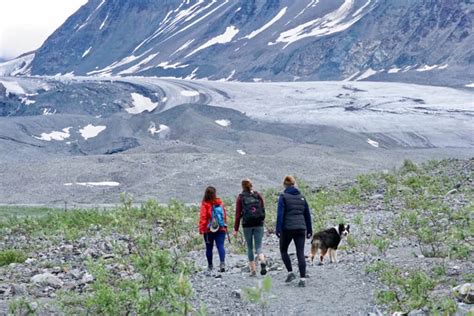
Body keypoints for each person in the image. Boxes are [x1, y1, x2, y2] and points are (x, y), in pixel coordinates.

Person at [276, 175, 312, 287]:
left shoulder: (283, 197)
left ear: (285, 185)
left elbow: (280, 214)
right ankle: (302, 279)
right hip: (301, 228)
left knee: (283, 250)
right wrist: (309, 229)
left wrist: (278, 229)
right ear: (294, 184)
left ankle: (290, 272)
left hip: (287, 228)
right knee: (300, 253)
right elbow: (307, 214)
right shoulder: (302, 197)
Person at [233, 179, 267, 277]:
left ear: (242, 186)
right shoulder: (257, 195)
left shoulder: (241, 197)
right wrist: (262, 220)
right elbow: (263, 209)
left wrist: (235, 229)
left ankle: (253, 271)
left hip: (247, 224)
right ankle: (262, 260)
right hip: (259, 223)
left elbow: (238, 214)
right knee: (259, 247)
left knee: (250, 248)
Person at [199, 186, 228, 275]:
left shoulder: (205, 204)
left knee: (209, 248)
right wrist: (224, 226)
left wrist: (201, 229)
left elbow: (203, 217)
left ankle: (210, 265)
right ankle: (222, 264)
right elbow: (224, 215)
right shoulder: (219, 203)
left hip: (209, 230)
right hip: (221, 228)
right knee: (220, 246)